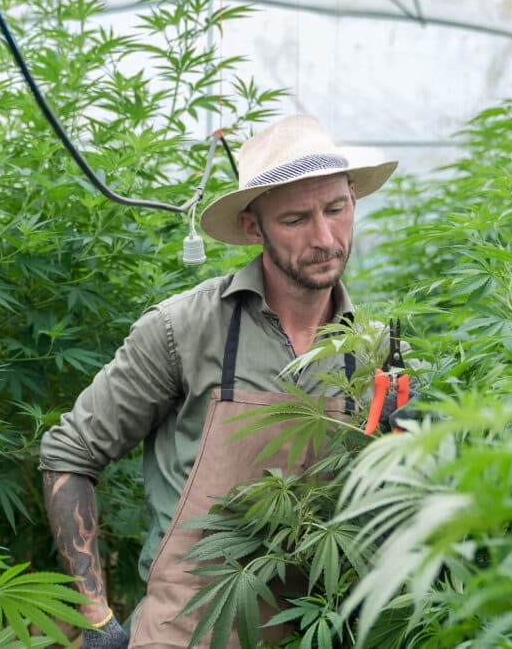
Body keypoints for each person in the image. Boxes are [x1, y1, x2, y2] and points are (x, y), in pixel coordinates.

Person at [39, 115, 398, 648]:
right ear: (253, 228)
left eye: (336, 209)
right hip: (187, 633)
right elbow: (70, 453)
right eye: (296, 219)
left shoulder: (375, 350)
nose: (325, 238)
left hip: (315, 633)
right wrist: (97, 621)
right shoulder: (184, 328)